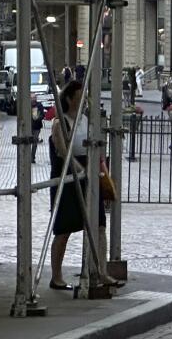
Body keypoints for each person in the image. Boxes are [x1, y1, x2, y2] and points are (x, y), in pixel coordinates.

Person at [49, 81, 111, 290]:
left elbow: (97, 149)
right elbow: (62, 151)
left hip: (88, 175)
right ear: (69, 98)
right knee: (64, 229)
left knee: (99, 225)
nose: (84, 98)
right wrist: (79, 170)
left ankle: (101, 271)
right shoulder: (60, 123)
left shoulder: (86, 120)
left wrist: (101, 172)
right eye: (79, 95)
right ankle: (56, 276)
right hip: (67, 178)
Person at [31, 97, 46, 163]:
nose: (33, 99)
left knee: (34, 142)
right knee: (28, 142)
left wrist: (38, 118)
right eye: (32, 98)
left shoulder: (39, 105)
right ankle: (28, 156)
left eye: (34, 98)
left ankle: (32, 157)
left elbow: (43, 115)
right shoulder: (27, 105)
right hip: (28, 127)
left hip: (37, 126)